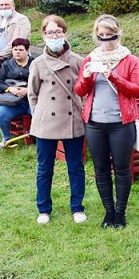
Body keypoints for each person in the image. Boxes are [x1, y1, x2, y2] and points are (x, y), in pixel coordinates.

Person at [75, 15, 139, 229]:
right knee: (101, 168)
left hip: (121, 123)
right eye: (101, 36)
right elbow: (79, 90)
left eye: (110, 36)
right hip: (95, 123)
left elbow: (137, 90)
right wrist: (86, 76)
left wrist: (113, 76)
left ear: (118, 33)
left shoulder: (129, 60)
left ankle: (120, 212)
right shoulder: (90, 59)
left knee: (122, 169)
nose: (106, 41)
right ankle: (109, 211)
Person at [28, 15, 87, 225]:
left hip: (73, 121)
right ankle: (43, 208)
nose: (55, 36)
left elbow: (86, 90)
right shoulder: (38, 63)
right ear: (43, 35)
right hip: (46, 123)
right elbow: (32, 94)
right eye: (50, 33)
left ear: (65, 33)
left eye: (58, 32)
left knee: (76, 166)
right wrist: (39, 115)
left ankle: (77, 207)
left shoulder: (78, 61)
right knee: (45, 168)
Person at [0, 38, 33, 149]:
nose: (17, 52)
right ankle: (6, 139)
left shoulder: (35, 64)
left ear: (27, 51)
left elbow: (44, 82)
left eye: (21, 49)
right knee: (1, 113)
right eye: (15, 49)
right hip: (13, 103)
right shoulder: (7, 65)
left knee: (39, 114)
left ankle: (40, 138)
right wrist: (10, 89)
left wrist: (28, 90)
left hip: (32, 101)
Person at [0, 0, 31, 64]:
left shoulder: (22, 19)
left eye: (6, 4)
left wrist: (1, 56)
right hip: (1, 62)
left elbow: (18, 41)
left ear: (13, 6)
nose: (4, 7)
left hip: (18, 62)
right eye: (1, 5)